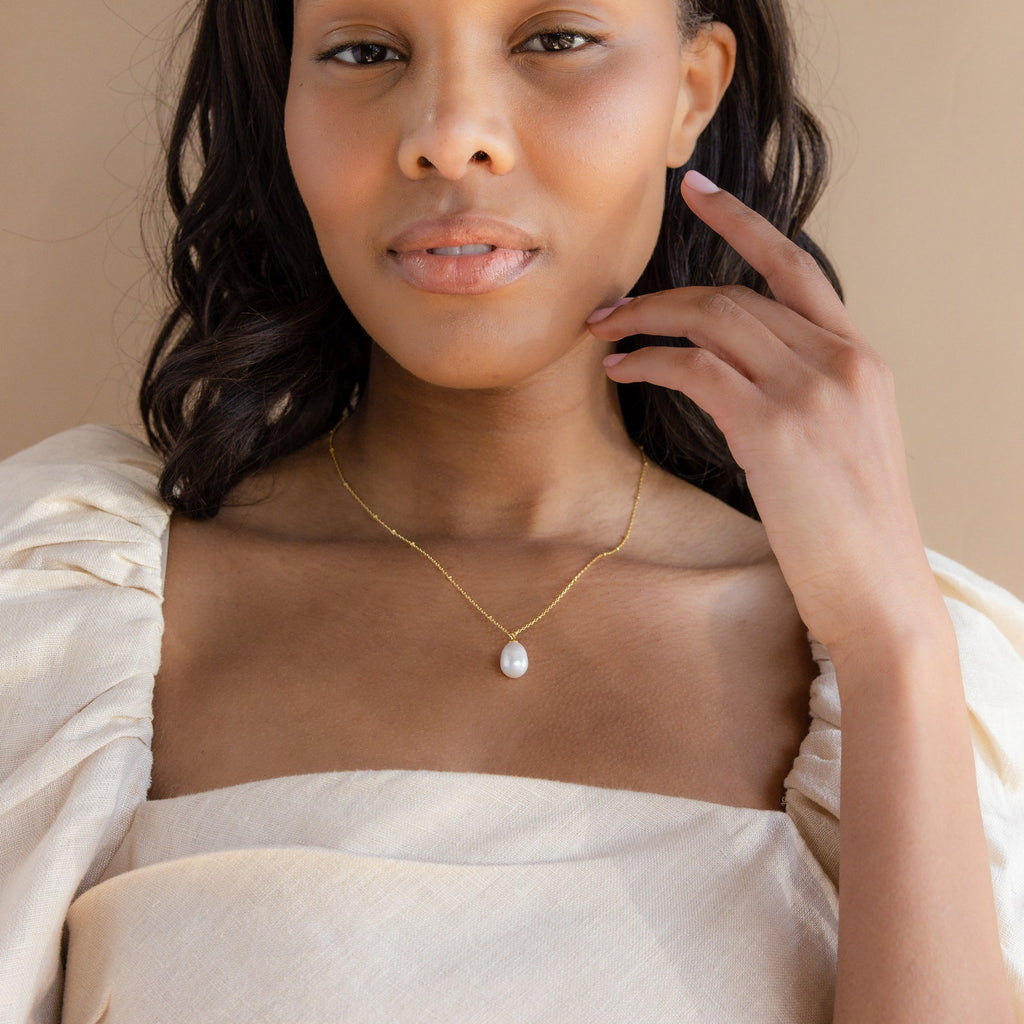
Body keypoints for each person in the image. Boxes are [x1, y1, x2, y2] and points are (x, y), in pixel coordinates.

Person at [1, 0, 1021, 1020]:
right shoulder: (65, 620)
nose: (449, 136)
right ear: (286, 104)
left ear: (691, 88)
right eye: (363, 51)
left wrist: (888, 643)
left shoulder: (915, 676)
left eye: (554, 40)